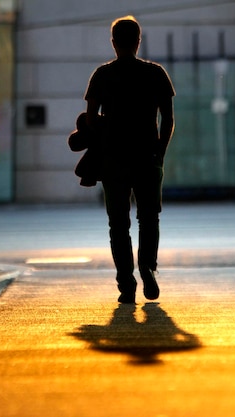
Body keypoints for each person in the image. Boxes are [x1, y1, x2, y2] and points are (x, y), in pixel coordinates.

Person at [84, 15, 175, 303]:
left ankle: (126, 283)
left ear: (113, 43)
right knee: (149, 217)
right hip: (148, 157)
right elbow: (169, 117)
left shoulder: (102, 74)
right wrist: (160, 150)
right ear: (139, 41)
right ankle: (147, 266)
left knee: (118, 223)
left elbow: (89, 116)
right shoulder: (156, 73)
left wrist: (104, 133)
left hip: (113, 160)